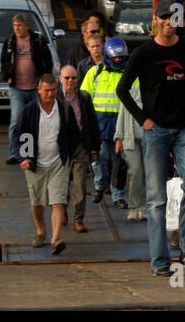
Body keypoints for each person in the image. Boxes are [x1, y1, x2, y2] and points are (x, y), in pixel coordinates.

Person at [114, 0, 185, 276]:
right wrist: (142, 119)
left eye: (174, 18)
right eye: (165, 18)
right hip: (155, 130)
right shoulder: (143, 54)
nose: (170, 23)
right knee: (156, 199)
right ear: (156, 20)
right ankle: (159, 262)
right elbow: (122, 90)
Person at [14, 74, 76, 255]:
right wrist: (23, 158)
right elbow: (19, 135)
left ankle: (55, 239)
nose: (50, 94)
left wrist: (70, 153)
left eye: (53, 90)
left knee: (58, 201)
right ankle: (40, 230)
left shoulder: (64, 108)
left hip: (58, 162)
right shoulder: (29, 110)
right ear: (39, 90)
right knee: (38, 201)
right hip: (35, 163)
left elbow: (73, 132)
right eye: (46, 90)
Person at [0, 12, 54, 164]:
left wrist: (44, 79)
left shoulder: (37, 40)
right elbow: (4, 62)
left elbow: (47, 60)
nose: (16, 28)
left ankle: (32, 152)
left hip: (36, 88)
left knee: (36, 121)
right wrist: (7, 76)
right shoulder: (10, 41)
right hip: (17, 88)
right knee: (16, 121)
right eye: (14, 25)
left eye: (19, 25)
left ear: (27, 26)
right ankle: (15, 153)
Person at [80, 37, 128, 209]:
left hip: (120, 124)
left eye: (120, 57)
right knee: (99, 158)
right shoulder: (95, 72)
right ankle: (100, 186)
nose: (117, 60)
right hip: (99, 123)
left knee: (118, 162)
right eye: (114, 57)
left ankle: (118, 196)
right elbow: (84, 98)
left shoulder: (128, 75)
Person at [58, 64, 101, 233]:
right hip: (61, 149)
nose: (70, 81)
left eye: (73, 77)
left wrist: (94, 147)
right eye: (67, 77)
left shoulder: (84, 97)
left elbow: (92, 122)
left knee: (80, 185)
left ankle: (78, 218)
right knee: (61, 186)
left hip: (80, 148)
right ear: (60, 79)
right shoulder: (55, 98)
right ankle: (62, 212)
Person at [113, 70, 146, 223]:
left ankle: (143, 207)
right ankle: (133, 207)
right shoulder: (130, 93)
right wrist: (118, 138)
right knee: (135, 171)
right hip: (130, 139)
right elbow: (121, 115)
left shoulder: (153, 95)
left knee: (148, 174)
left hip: (149, 140)